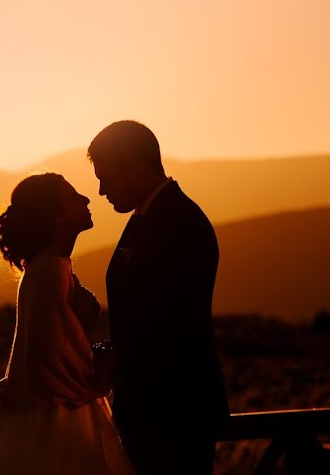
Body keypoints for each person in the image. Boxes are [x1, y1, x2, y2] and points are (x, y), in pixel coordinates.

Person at [0, 173, 133, 475]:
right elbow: (49, 358)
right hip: (58, 418)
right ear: (56, 219)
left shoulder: (54, 265)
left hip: (62, 408)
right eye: (74, 196)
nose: (87, 199)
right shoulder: (48, 271)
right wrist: (100, 372)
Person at [89, 120, 230, 475]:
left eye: (107, 178)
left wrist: (118, 357)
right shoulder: (150, 215)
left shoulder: (180, 222)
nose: (102, 191)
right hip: (153, 407)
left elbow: (171, 321)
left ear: (136, 168)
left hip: (174, 409)